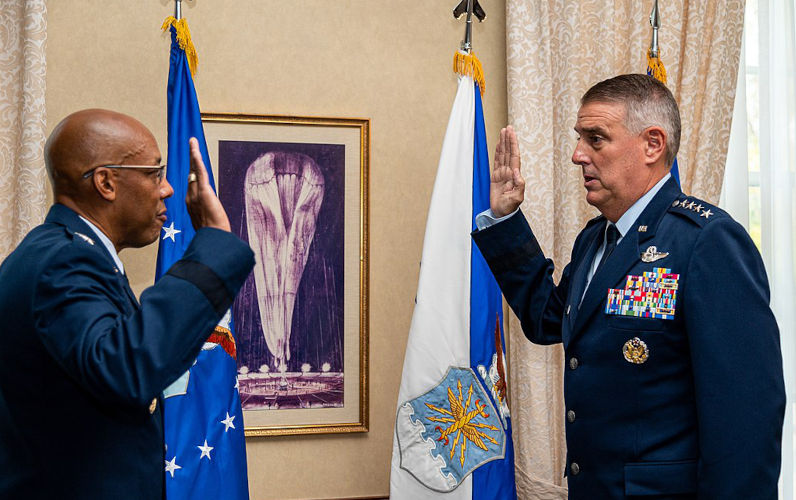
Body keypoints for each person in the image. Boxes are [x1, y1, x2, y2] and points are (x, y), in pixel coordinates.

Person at [472, 74, 785, 498]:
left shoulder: (706, 242)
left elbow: (746, 421)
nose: (577, 155)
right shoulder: (595, 238)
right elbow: (550, 320)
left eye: (596, 139)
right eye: (579, 138)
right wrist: (505, 222)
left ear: (652, 145)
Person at [0, 109, 255, 499]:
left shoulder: (56, 253)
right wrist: (214, 245)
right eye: (155, 173)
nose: (167, 188)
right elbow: (125, 367)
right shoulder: (64, 262)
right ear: (106, 182)